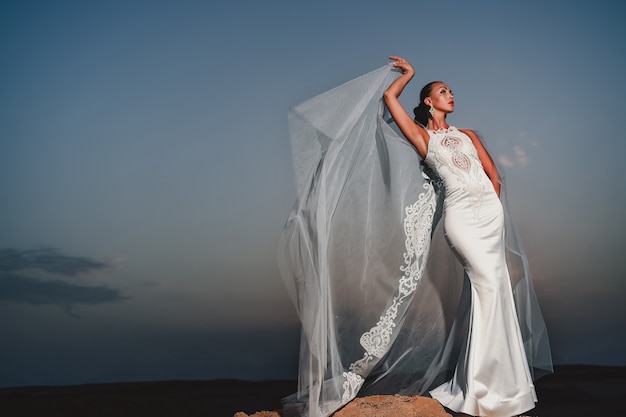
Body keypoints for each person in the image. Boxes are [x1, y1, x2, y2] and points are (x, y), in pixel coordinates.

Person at [279, 58, 552, 417]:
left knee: (497, 288)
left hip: (489, 215)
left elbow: (494, 177)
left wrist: (490, 209)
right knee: (486, 285)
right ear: (428, 101)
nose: (451, 96)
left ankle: (503, 384)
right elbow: (390, 99)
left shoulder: (467, 135)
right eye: (443, 91)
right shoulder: (422, 137)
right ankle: (484, 386)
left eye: (451, 92)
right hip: (461, 220)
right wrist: (407, 75)